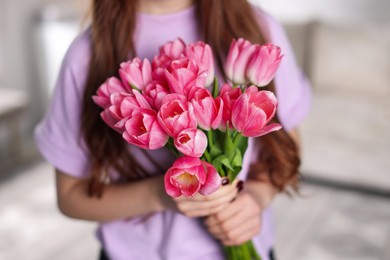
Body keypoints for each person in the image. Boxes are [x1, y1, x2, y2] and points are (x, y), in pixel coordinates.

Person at [34, 0, 311, 259]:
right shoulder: (87, 55)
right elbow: (70, 196)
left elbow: (288, 145)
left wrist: (256, 196)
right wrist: (158, 195)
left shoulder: (256, 27)